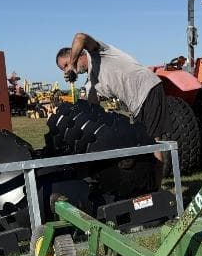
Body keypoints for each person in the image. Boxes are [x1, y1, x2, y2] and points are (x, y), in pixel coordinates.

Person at [56, 33, 168, 178]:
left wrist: (71, 65)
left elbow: (80, 37)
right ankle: (148, 186)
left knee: (152, 143)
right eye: (63, 69)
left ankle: (156, 191)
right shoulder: (91, 82)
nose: (66, 70)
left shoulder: (97, 53)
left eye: (66, 65)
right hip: (137, 104)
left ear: (77, 54)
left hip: (147, 88)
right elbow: (93, 110)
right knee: (142, 143)